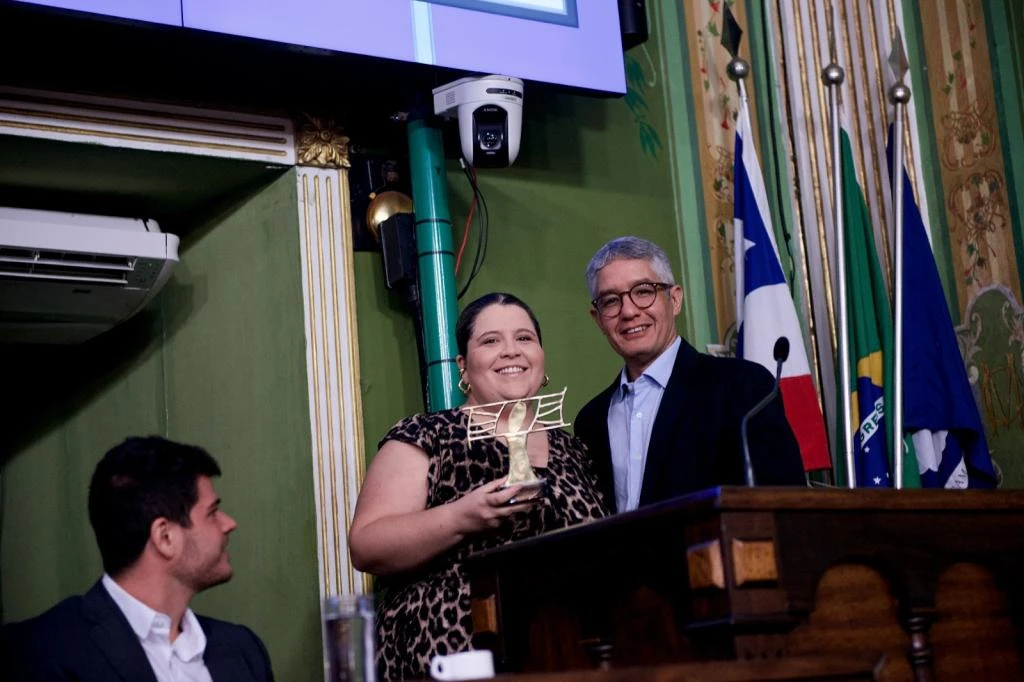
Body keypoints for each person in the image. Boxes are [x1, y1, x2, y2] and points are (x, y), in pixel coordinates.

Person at [349, 292, 610, 680]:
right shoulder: (428, 436)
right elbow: (367, 546)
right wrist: (462, 516)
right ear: (463, 367)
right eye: (490, 341)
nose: (510, 351)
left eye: (524, 338)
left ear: (541, 356)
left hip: (567, 655)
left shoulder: (575, 450)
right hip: (449, 656)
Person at [2, 436, 274, 681]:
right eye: (212, 512)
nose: (229, 523)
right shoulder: (41, 652)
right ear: (165, 537)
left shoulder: (243, 651)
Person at [574, 236, 806, 513]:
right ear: (598, 319)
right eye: (611, 301)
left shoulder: (742, 388)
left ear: (674, 299)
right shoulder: (590, 421)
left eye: (644, 291)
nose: (629, 311)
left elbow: (785, 504)